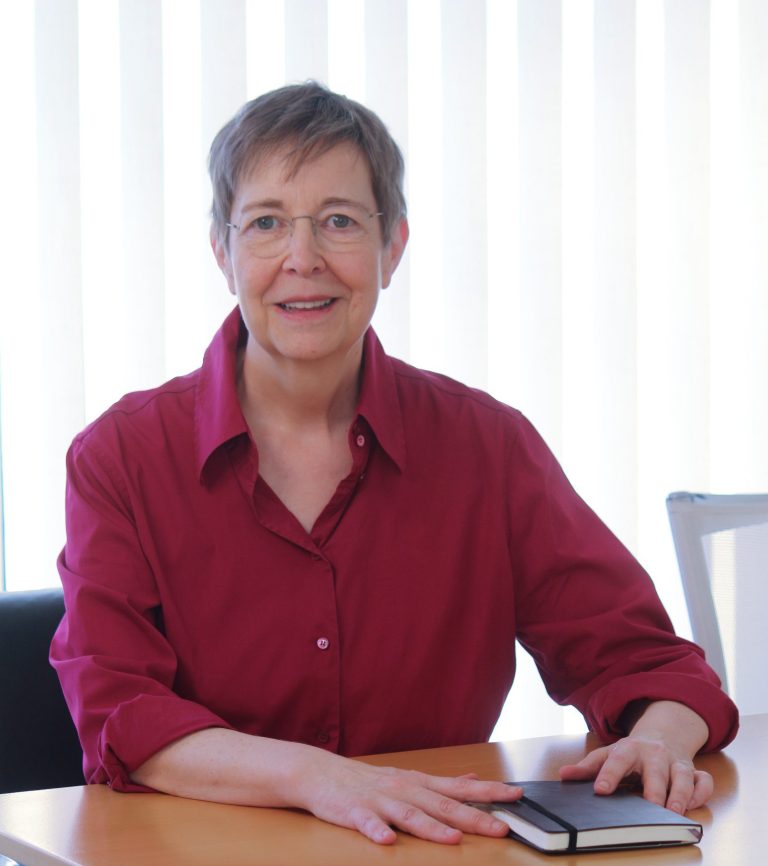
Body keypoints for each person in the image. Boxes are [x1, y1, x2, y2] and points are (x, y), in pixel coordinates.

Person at [51, 82, 738, 847]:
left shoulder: (488, 447)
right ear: (223, 250)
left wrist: (661, 741)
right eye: (267, 223)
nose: (303, 259)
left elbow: (649, 663)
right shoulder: (120, 458)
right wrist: (315, 776)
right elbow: (120, 713)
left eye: (339, 221)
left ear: (393, 247)